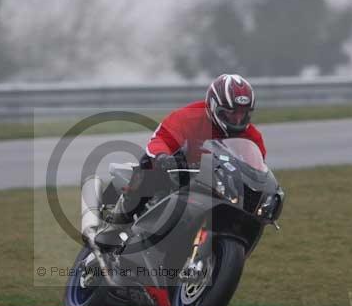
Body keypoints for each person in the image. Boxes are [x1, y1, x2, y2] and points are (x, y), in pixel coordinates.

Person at [93, 73, 267, 247]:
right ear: (214, 106)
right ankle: (115, 225)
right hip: (180, 171)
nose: (237, 119)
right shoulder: (189, 116)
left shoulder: (252, 137)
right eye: (230, 113)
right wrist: (163, 157)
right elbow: (161, 138)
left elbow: (257, 168)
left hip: (218, 183)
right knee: (148, 165)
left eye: (243, 114)